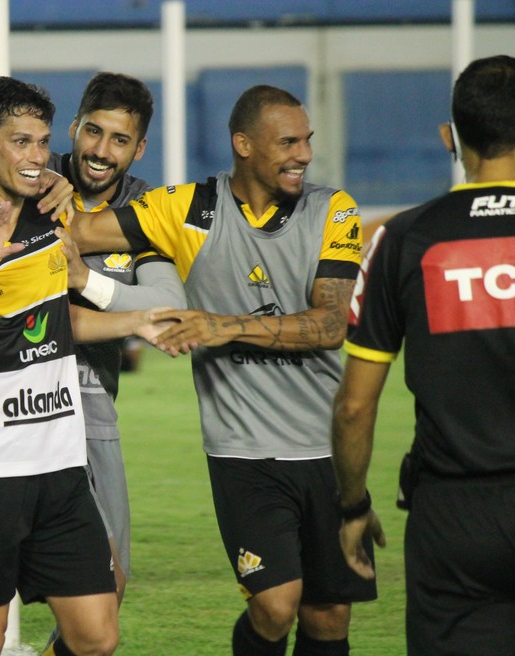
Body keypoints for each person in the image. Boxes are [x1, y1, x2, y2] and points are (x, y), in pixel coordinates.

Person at [66, 85, 373, 656]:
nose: (304, 153)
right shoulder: (186, 210)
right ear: (244, 145)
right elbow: (76, 232)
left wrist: (224, 325)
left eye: (306, 140)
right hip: (242, 451)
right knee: (275, 606)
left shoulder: (335, 209)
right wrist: (36, 188)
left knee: (329, 616)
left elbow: (331, 324)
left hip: (328, 446)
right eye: (288, 141)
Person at [0, 75, 170, 656]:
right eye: (19, 141)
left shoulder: (54, 214)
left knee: (97, 634)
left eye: (42, 142)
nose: (36, 157)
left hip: (60, 464)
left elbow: (54, 322)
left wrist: (135, 323)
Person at [331, 54, 515, 656]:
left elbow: (356, 406)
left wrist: (352, 504)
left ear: (450, 139)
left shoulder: (404, 239)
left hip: (453, 517)